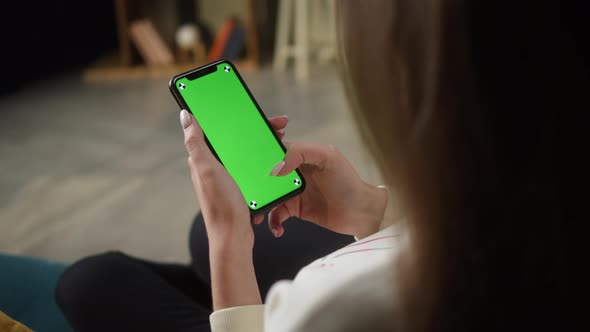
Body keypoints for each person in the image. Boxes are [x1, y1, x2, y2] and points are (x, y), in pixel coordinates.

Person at [55, 1, 587, 331]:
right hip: (397, 244)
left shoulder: (335, 312)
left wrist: (228, 246)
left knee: (92, 282)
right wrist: (373, 207)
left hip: (305, 305)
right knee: (201, 234)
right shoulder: (537, 210)